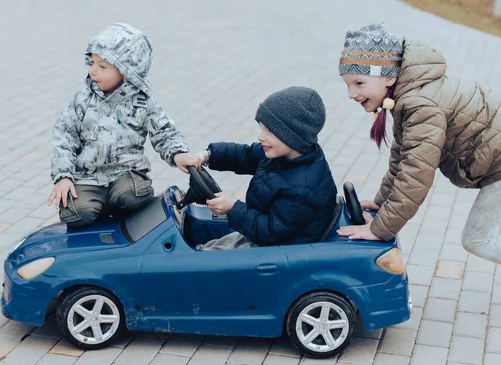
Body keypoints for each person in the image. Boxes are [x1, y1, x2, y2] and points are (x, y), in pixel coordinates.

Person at [336, 24, 501, 263]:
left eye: (359, 83)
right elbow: (402, 157)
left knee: (477, 239)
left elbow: (415, 175)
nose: (351, 93)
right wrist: (381, 201)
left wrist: (379, 229)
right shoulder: (407, 95)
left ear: (389, 77)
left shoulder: (420, 104)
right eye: (347, 84)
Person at [47, 23, 200, 227]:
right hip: (88, 177)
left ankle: (117, 205)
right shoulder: (82, 100)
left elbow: (165, 133)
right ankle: (97, 204)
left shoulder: (143, 103)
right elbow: (64, 137)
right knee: (78, 213)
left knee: (131, 195)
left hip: (126, 172)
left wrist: (177, 153)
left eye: (102, 66)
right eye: (92, 63)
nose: (93, 71)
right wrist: (63, 176)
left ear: (126, 72)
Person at [195, 86, 337, 250]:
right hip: (259, 230)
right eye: (261, 128)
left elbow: (272, 231)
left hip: (276, 248)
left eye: (269, 131)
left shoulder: (301, 190)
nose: (261, 136)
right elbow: (246, 155)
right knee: (203, 250)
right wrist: (208, 155)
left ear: (292, 136)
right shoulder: (286, 154)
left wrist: (234, 208)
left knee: (203, 260)